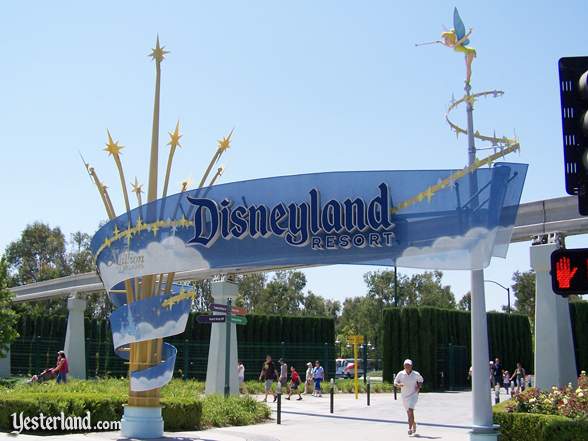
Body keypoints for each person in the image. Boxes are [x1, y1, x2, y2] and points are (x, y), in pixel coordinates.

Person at [394, 359, 424, 436]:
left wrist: (419, 386)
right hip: (404, 396)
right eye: (406, 365)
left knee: (410, 410)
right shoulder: (400, 374)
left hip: (414, 395)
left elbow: (421, 380)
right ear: (404, 366)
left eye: (409, 365)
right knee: (409, 413)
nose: (407, 366)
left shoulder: (416, 374)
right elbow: (395, 382)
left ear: (411, 366)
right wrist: (398, 385)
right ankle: (414, 424)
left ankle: (409, 429)